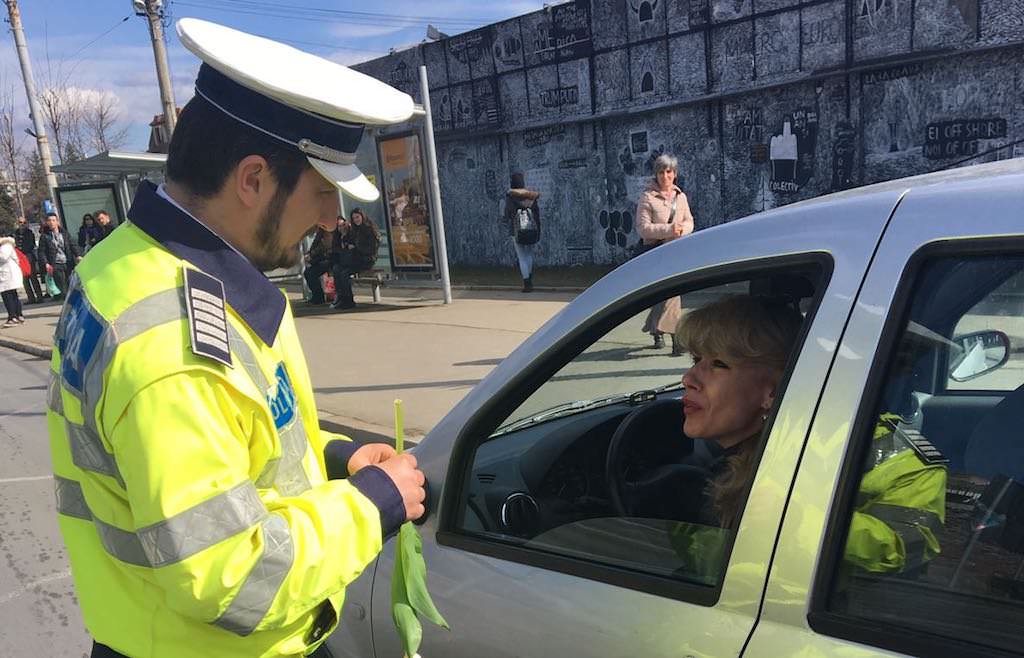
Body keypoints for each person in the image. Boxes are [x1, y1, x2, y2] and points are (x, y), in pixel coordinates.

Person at [47, 18, 424, 658]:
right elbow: (231, 576)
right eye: (322, 190)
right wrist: (372, 507)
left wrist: (335, 458)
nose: (333, 217)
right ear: (252, 180)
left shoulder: (126, 263)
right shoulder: (174, 343)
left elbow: (237, 439)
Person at [673, 295, 946, 573]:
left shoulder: (888, 453)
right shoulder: (738, 449)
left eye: (719, 364)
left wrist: (796, 519)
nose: (689, 378)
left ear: (773, 390)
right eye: (696, 359)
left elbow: (908, 547)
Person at [636, 154, 695, 353]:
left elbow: (689, 222)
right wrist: (669, 229)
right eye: (661, 172)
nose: (665, 176)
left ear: (674, 174)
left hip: (676, 252)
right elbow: (643, 229)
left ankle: (657, 331)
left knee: (667, 292)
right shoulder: (648, 197)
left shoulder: (681, 197)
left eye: (669, 172)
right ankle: (676, 338)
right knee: (670, 293)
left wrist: (681, 230)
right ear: (656, 174)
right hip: (655, 253)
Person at [330, 208, 380, 310]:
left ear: (362, 216)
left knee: (344, 273)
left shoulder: (369, 229)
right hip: (356, 259)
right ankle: (341, 298)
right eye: (354, 218)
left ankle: (349, 301)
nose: (356, 220)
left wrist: (356, 247)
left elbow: (372, 248)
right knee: (337, 269)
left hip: (367, 260)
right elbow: (348, 242)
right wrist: (346, 239)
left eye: (357, 217)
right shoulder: (355, 230)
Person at [502, 172, 541, 292]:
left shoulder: (511, 197)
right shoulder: (531, 197)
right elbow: (537, 215)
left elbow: (507, 214)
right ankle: (530, 279)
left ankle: (527, 283)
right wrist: (538, 230)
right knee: (529, 255)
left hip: (516, 231)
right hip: (531, 229)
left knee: (521, 257)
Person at [38, 212, 78, 301]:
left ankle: (70, 301)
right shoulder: (45, 236)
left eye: (53, 220)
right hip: (55, 263)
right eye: (49, 220)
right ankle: (65, 301)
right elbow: (41, 252)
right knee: (61, 285)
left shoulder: (64, 233)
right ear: (46, 223)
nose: (51, 222)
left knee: (70, 283)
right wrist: (46, 263)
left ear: (57, 222)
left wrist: (78, 255)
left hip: (67, 261)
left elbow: (72, 245)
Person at [13, 216, 43, 303]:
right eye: (20, 223)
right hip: (20, 259)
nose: (22, 224)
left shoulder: (29, 233)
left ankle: (39, 297)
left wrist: (22, 251)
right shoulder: (16, 233)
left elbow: (31, 244)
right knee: (25, 279)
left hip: (28, 257)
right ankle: (31, 298)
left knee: (33, 277)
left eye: (23, 223)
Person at [302, 222, 334, 305]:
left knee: (311, 273)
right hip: (321, 258)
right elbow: (315, 244)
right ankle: (317, 296)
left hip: (330, 259)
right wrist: (309, 253)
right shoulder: (321, 231)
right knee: (308, 272)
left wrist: (311, 255)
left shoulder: (329, 231)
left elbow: (325, 245)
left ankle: (318, 297)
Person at [0, 234, 25, 326]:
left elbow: (3, 257)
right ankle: (18, 315)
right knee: (12, 295)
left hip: (8, 274)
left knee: (8, 296)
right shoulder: (6, 245)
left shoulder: (6, 245)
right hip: (7, 274)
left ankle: (13, 317)